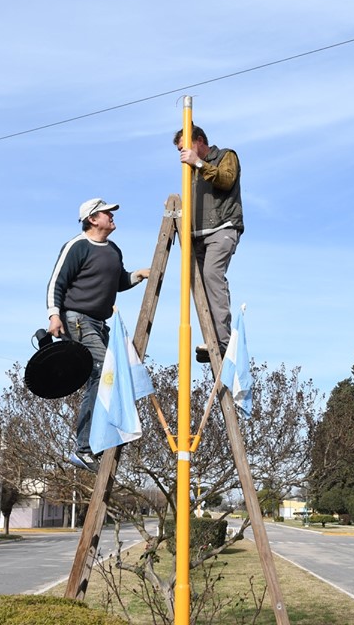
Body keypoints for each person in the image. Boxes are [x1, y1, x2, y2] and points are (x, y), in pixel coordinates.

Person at [46, 198, 150, 470]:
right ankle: (83, 448)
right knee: (104, 371)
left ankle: (94, 441)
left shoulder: (113, 250)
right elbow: (56, 282)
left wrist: (138, 275)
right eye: (107, 213)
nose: (113, 216)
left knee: (103, 376)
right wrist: (54, 315)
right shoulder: (77, 246)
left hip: (100, 323)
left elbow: (117, 283)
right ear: (92, 219)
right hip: (76, 319)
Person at [173, 124, 244, 363]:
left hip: (222, 227)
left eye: (186, 147)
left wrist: (199, 163)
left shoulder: (225, 156)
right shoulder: (190, 172)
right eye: (180, 151)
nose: (183, 154)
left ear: (200, 141)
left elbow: (225, 180)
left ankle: (223, 342)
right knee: (200, 286)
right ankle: (211, 339)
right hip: (197, 234)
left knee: (213, 275)